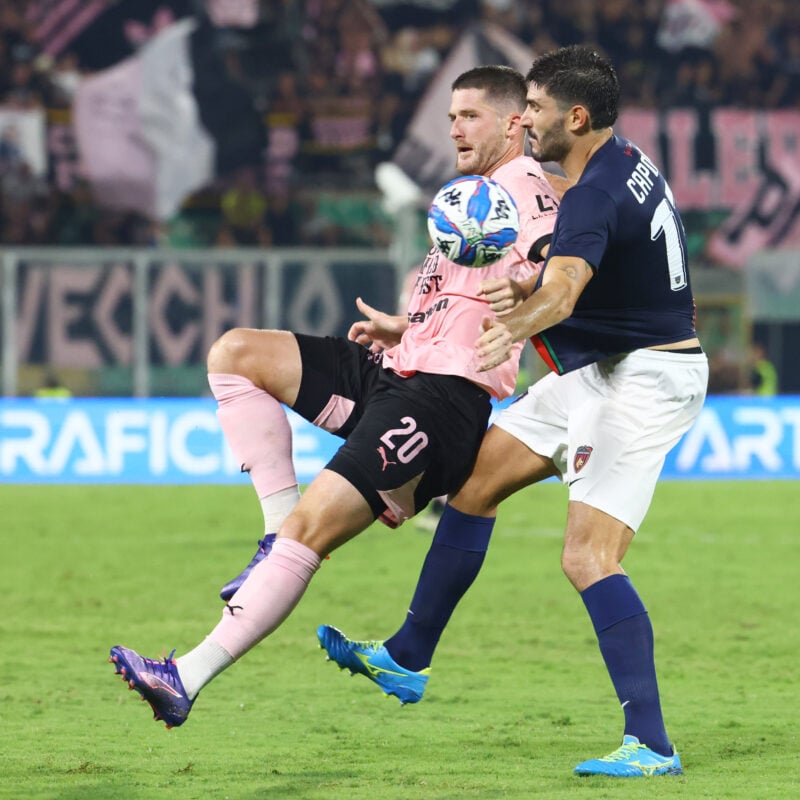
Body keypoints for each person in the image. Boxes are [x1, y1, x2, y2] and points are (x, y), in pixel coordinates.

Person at [108, 65, 563, 729]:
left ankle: (185, 677)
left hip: (441, 404)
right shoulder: (471, 195)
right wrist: (405, 327)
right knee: (236, 357)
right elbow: (467, 303)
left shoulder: (522, 186)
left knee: (312, 532)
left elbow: (557, 272)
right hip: (399, 368)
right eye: (450, 117)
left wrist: (530, 297)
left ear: (513, 122)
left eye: (468, 115)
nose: (454, 128)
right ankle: (270, 538)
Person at [318, 45, 708, 778]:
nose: (525, 118)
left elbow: (563, 292)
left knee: (588, 558)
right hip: (605, 371)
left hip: (644, 381)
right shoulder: (623, 162)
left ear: (577, 116)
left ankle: (652, 744)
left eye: (535, 107)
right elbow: (571, 280)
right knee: (473, 487)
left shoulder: (592, 194)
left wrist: (516, 325)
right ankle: (407, 657)